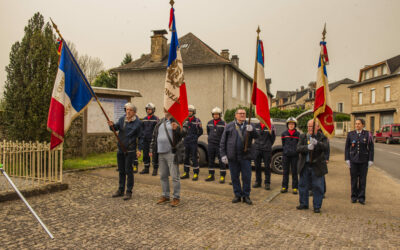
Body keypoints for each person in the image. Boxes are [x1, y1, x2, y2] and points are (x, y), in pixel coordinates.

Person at [220, 108, 258, 205]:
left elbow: (257, 137)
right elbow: (223, 141)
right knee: (234, 177)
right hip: (233, 156)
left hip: (245, 156)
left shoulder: (250, 125)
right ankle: (237, 194)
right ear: (236, 115)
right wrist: (223, 154)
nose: (242, 115)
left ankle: (246, 195)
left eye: (244, 113)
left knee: (246, 177)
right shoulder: (229, 126)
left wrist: (252, 130)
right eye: (240, 113)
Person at [150, 111, 187, 207]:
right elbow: (154, 136)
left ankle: (176, 197)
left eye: (167, 109)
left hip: (172, 153)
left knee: (175, 177)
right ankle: (165, 195)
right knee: (163, 176)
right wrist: (151, 149)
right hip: (160, 152)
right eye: (164, 109)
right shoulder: (160, 122)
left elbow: (185, 133)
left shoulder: (178, 121)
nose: (165, 111)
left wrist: (178, 129)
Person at [108, 103, 142, 200]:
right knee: (121, 170)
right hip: (120, 149)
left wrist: (139, 149)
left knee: (128, 170)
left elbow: (141, 137)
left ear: (134, 112)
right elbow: (116, 128)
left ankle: (129, 191)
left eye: (130, 110)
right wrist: (112, 126)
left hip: (130, 150)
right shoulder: (122, 119)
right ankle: (120, 190)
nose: (128, 111)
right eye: (127, 109)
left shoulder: (138, 123)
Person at [296, 119, 329, 213]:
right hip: (305, 165)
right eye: (309, 126)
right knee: (302, 185)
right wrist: (307, 147)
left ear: (317, 127)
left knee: (318, 186)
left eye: (312, 126)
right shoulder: (303, 136)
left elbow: (326, 147)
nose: (310, 128)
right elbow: (298, 148)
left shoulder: (322, 136)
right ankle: (303, 203)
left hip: (317, 166)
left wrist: (317, 143)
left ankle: (317, 206)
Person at [345, 118, 374, 205]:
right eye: (356, 124)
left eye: (359, 124)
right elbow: (347, 147)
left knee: (362, 180)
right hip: (353, 160)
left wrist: (370, 159)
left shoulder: (368, 134)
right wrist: (347, 158)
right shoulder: (351, 134)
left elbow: (371, 148)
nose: (357, 125)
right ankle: (354, 196)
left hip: (363, 160)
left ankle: (361, 197)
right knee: (354, 180)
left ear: (363, 125)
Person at [181, 105, 203, 181]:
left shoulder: (197, 120)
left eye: (190, 111)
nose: (189, 112)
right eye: (188, 111)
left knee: (194, 158)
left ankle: (196, 173)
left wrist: (195, 137)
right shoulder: (184, 120)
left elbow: (201, 131)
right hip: (186, 142)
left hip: (193, 142)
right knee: (186, 157)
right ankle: (186, 173)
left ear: (193, 112)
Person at [205, 107, 227, 183]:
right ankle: (211, 175)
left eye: (217, 114)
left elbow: (225, 135)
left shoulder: (224, 124)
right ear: (212, 115)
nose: (216, 116)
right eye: (214, 114)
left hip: (219, 145)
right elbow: (208, 132)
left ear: (220, 115)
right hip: (211, 144)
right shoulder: (209, 123)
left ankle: (222, 176)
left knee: (221, 161)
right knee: (211, 160)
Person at [253, 120, 276, 190]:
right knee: (257, 166)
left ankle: (267, 183)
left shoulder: (270, 126)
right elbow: (254, 136)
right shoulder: (256, 126)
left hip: (266, 149)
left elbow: (273, 138)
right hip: (257, 149)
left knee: (267, 167)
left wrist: (268, 145)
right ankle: (258, 181)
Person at [281, 117, 300, 194]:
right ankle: (284, 187)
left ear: (295, 125)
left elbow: (299, 145)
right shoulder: (284, 134)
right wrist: (286, 151)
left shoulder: (298, 134)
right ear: (287, 125)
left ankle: (295, 188)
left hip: (295, 156)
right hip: (286, 155)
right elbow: (283, 144)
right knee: (285, 172)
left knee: (294, 172)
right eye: (289, 124)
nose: (291, 125)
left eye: (292, 124)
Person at [139, 103, 159, 176]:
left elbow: (157, 131)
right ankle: (146, 168)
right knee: (145, 155)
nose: (148, 110)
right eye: (147, 109)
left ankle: (155, 169)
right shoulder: (144, 119)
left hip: (153, 141)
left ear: (153, 110)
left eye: (150, 109)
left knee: (154, 155)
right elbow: (142, 130)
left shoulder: (156, 119)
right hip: (145, 140)